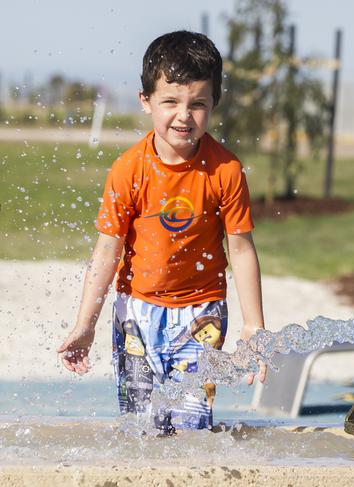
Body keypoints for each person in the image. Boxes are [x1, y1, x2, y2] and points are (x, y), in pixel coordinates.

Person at [56, 30, 266, 432]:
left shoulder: (225, 171)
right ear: (146, 101)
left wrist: (253, 324)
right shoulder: (129, 169)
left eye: (198, 104)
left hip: (202, 312)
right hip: (136, 311)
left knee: (190, 426)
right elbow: (107, 251)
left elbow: (240, 249)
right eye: (170, 101)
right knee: (141, 428)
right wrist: (86, 324)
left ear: (213, 104)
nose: (184, 116)